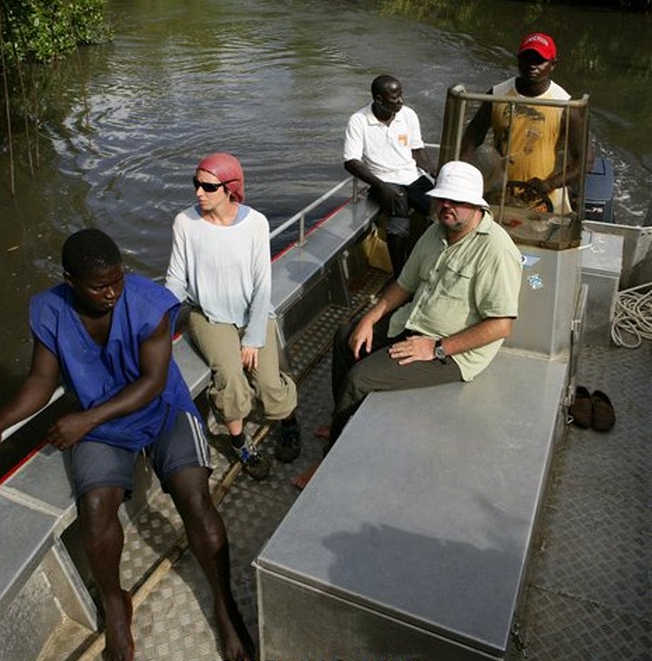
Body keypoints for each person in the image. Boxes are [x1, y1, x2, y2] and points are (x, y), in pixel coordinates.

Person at [0, 229, 253, 661]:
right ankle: (116, 606)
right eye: (99, 285)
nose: (112, 293)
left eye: (117, 281)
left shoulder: (147, 303)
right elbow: (42, 381)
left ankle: (223, 601)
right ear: (69, 280)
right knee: (96, 509)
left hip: (158, 409)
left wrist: (85, 420)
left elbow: (153, 382)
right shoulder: (49, 309)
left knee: (195, 499)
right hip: (102, 423)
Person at [327, 161, 523, 449]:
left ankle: (331, 454)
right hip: (412, 324)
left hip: (451, 352)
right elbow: (404, 284)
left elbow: (500, 326)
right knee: (346, 336)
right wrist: (369, 319)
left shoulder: (495, 250)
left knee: (359, 379)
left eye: (456, 200)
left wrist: (436, 347)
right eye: (442, 198)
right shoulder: (435, 231)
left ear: (475, 204)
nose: (446, 205)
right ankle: (340, 419)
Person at [165, 153, 300, 481]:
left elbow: (261, 284)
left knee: (268, 381)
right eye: (196, 184)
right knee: (229, 376)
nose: (199, 192)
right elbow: (175, 280)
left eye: (208, 187)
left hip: (252, 309)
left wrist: (254, 337)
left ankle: (288, 421)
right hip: (209, 316)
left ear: (230, 189)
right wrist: (156, 322)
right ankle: (240, 442)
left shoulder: (256, 223)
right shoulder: (185, 223)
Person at [461, 32, 584, 213]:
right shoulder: (496, 95)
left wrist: (550, 184)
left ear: (553, 64)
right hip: (498, 195)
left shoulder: (565, 105)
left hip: (543, 201)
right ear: (518, 60)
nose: (532, 65)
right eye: (527, 58)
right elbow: (471, 140)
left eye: (539, 60)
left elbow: (584, 160)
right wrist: (459, 176)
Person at [343, 74, 436, 274]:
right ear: (378, 99)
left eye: (401, 95)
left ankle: (432, 265)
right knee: (399, 218)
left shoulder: (408, 115)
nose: (401, 101)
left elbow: (417, 150)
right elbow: (351, 162)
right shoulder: (358, 121)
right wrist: (381, 187)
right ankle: (399, 274)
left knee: (438, 209)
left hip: (412, 176)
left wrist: (434, 171)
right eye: (395, 98)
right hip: (383, 179)